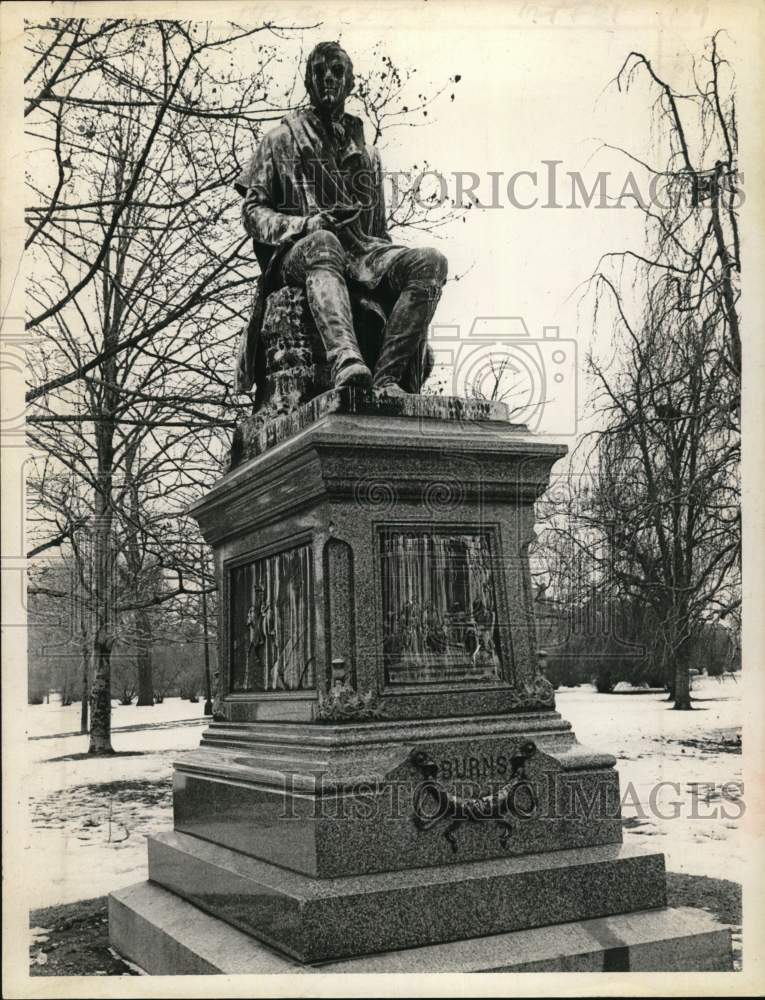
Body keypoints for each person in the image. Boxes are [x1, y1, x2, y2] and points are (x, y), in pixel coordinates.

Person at [234, 41, 448, 399]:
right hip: (300, 252)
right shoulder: (281, 139)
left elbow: (378, 231)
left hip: (362, 253)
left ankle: (386, 378)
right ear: (309, 81)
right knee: (325, 242)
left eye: (337, 71)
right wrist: (305, 225)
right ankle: (346, 360)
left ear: (350, 83)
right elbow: (253, 213)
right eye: (321, 71)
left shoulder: (368, 155)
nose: (329, 78)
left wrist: (389, 264)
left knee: (430, 262)